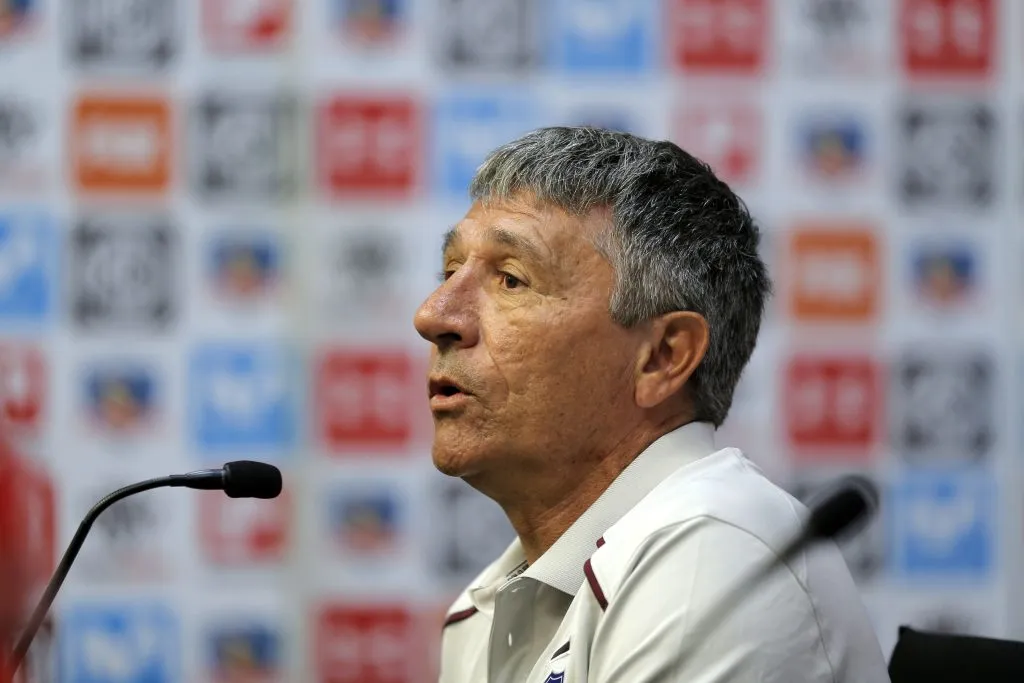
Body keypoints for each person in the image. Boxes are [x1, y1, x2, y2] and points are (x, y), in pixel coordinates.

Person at [414, 127, 890, 683]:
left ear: (663, 357)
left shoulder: (716, 559)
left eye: (512, 280)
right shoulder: (483, 611)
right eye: (450, 272)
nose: (434, 314)